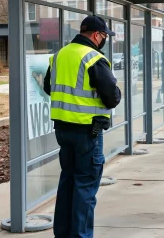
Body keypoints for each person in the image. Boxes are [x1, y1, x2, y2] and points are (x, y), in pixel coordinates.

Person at [43, 15, 121, 238]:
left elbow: (50, 87)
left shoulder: (59, 55)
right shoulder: (92, 57)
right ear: (97, 35)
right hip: (88, 132)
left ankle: (64, 234)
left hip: (63, 131)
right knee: (85, 188)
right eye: (105, 36)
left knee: (68, 183)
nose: (104, 40)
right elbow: (112, 97)